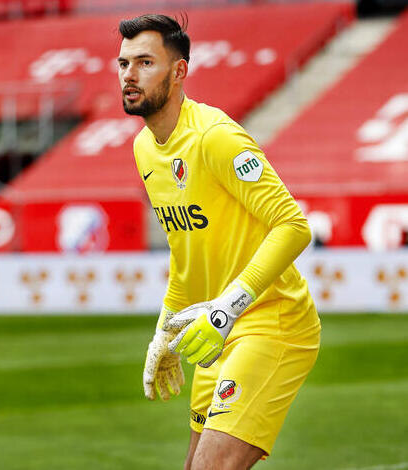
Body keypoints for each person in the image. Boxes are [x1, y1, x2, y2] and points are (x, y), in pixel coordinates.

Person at [117, 14, 320, 470]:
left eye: (145, 62)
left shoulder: (215, 138)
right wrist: (164, 329)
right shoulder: (144, 149)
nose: (129, 74)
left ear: (179, 71)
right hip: (214, 329)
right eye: (123, 63)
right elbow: (184, 247)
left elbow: (292, 225)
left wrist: (228, 305)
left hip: (270, 322)